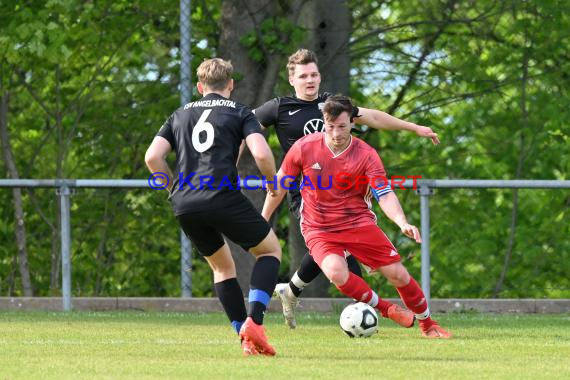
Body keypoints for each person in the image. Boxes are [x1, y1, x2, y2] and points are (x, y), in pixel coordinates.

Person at [254, 48, 440, 329]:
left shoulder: (336, 106)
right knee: (335, 266)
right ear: (292, 79)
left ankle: (292, 289)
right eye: (303, 75)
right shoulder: (279, 109)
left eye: (314, 74)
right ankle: (378, 309)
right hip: (308, 197)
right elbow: (246, 131)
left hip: (352, 204)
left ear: (349, 122)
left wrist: (413, 127)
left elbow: (375, 118)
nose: (310, 80)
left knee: (390, 272)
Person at [145, 58, 282, 356]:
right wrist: (273, 183)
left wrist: (172, 189)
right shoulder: (241, 112)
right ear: (230, 85)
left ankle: (243, 337)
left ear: (199, 87)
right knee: (270, 251)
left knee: (221, 267)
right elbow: (260, 153)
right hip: (221, 194)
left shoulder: (179, 114)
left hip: (185, 201)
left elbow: (152, 158)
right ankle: (254, 323)